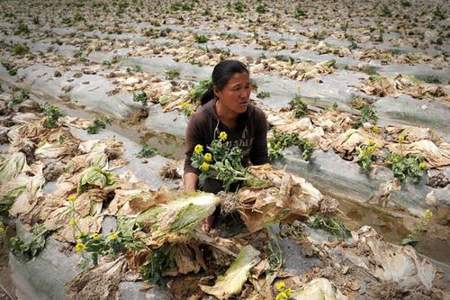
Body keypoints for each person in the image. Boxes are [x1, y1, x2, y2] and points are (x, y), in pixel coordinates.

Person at [183, 60, 269, 230]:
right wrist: (193, 202)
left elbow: (261, 161)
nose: (245, 94)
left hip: (240, 180)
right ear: (217, 91)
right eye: (237, 88)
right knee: (211, 190)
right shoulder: (201, 120)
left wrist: (268, 192)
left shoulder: (256, 117)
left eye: (247, 87)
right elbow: (191, 165)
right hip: (209, 184)